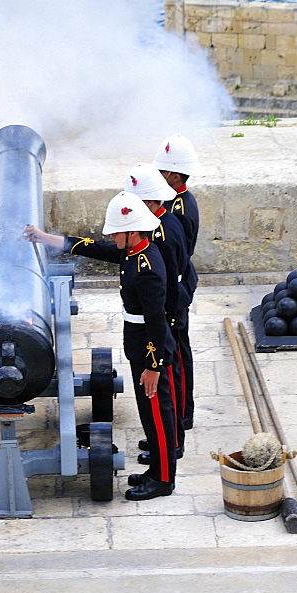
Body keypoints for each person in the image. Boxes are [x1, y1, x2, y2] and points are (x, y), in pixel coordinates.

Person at [24, 192, 178, 500]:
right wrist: (46, 238)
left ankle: (163, 480)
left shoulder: (146, 268)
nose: (111, 236)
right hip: (140, 345)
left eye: (117, 231)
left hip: (150, 349)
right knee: (149, 414)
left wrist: (153, 366)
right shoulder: (133, 251)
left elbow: (156, 321)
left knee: (158, 416)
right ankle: (157, 470)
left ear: (133, 231)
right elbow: (94, 248)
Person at [123, 162, 189, 465]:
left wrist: (168, 322)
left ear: (150, 202)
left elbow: (170, 279)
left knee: (169, 380)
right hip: (164, 310)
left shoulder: (162, 232)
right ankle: (165, 438)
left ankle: (172, 442)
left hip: (167, 311)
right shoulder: (156, 225)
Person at [152, 132, 202, 431]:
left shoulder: (179, 207)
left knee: (179, 356)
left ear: (172, 173)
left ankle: (182, 417)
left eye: (161, 171)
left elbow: (177, 254)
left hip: (177, 286)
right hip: (175, 282)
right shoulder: (173, 200)